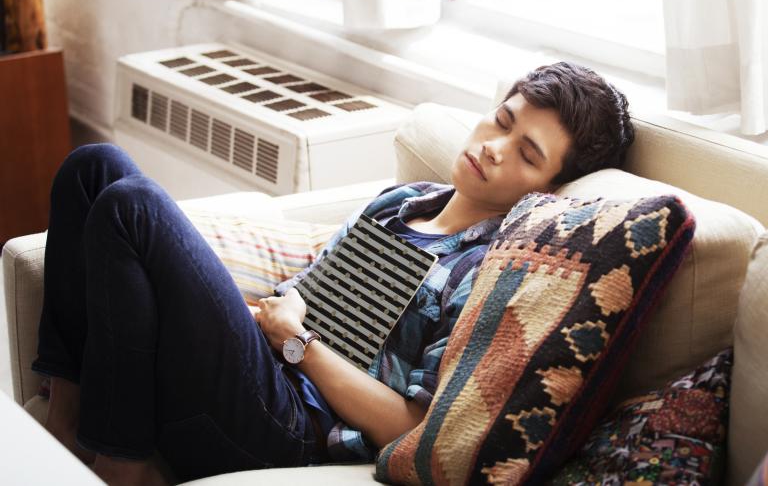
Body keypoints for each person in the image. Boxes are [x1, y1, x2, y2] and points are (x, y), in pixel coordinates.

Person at [33, 61, 636, 485]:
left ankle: (124, 466)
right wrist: (257, 318)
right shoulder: (400, 202)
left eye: (527, 154)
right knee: (94, 166)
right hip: (257, 369)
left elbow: (413, 425)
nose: (496, 147)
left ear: (550, 189)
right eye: (502, 121)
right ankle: (68, 417)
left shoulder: (487, 271)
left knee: (131, 206)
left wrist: (299, 346)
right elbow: (294, 301)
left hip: (294, 426)